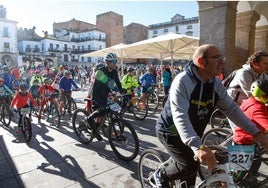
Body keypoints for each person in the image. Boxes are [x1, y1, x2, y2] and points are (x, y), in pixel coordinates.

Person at [154, 44, 268, 188]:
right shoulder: (183, 81)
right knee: (189, 165)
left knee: (189, 178)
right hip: (170, 131)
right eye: (217, 57)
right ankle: (161, 174)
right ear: (201, 62)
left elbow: (232, 109)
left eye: (222, 57)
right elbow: (180, 116)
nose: (222, 61)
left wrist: (256, 133)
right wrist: (197, 146)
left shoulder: (215, 83)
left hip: (193, 131)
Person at [87, 52, 123, 141]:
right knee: (101, 110)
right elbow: (95, 88)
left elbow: (117, 82)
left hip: (106, 93)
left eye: (116, 61)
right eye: (113, 61)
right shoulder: (100, 72)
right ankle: (89, 120)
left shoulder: (114, 70)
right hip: (98, 94)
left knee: (111, 110)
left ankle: (101, 124)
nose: (115, 63)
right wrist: (95, 100)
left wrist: (122, 91)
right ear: (107, 63)